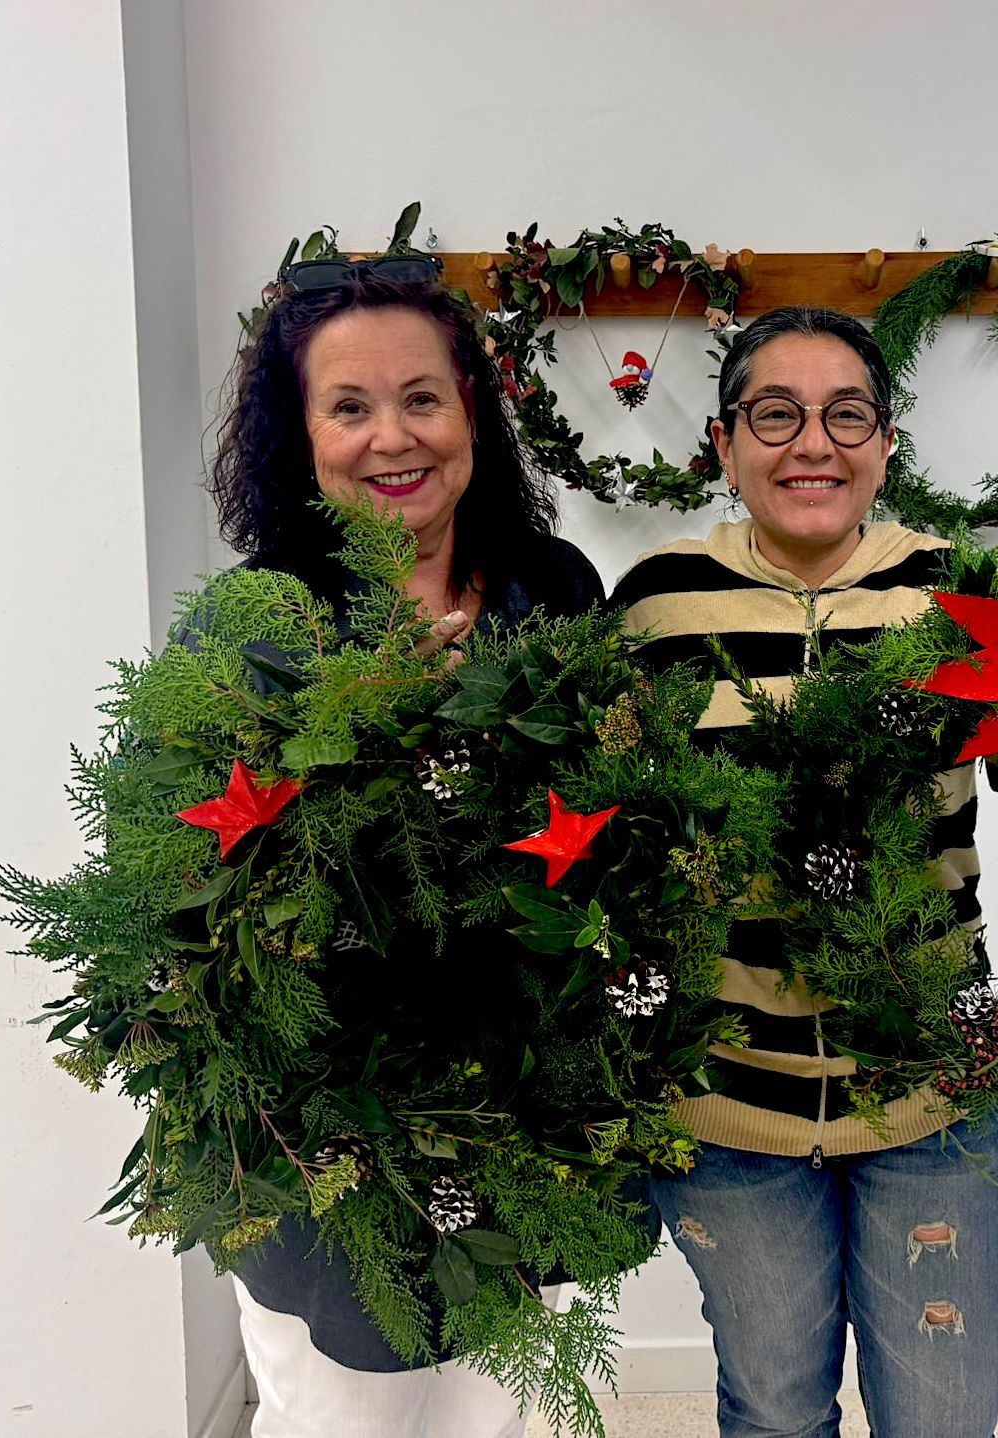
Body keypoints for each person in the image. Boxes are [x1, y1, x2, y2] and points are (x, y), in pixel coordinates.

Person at [610, 306, 998, 1438]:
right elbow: (610, 839)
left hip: (932, 1096)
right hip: (730, 1106)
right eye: (776, 414)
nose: (812, 444)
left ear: (886, 441)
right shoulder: (656, 606)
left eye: (846, 414)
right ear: (724, 441)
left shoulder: (955, 592)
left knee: (942, 1415)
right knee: (773, 1411)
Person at [202, 257, 602, 1438]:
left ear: (469, 409)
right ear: (302, 436)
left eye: (421, 397)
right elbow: (207, 901)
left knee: (512, 1417)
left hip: (526, 1119)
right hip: (334, 1149)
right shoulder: (252, 626)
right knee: (344, 1420)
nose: (393, 437)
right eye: (350, 406)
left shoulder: (552, 587)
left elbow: (615, 821)